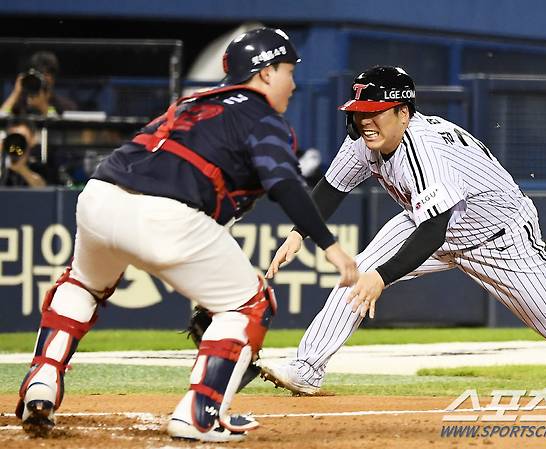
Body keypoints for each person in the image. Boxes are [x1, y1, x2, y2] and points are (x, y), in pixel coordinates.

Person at [15, 28, 358, 443]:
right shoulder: (263, 117)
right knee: (249, 304)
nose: (293, 81)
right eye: (287, 70)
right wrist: (332, 246)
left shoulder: (193, 102)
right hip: (166, 213)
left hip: (100, 196)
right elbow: (285, 183)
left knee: (83, 284)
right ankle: (200, 413)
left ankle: (42, 381)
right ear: (265, 73)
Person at [260, 65, 546, 395]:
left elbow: (434, 232)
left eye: (375, 112)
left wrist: (383, 275)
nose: (364, 120)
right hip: (426, 219)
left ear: (404, 114)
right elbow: (332, 187)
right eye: (360, 111)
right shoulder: (365, 140)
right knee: (355, 277)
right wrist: (299, 232)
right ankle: (307, 369)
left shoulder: (426, 150)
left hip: (498, 235)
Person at [1, 51, 77, 116]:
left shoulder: (66, 106)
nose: (41, 79)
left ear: (53, 78)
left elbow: (61, 131)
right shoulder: (19, 105)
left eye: (45, 74)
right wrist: (15, 93)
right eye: (38, 74)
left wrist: (43, 107)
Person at [1, 117, 47, 187]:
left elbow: (45, 191)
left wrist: (21, 168)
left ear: (32, 140)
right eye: (13, 137)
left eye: (22, 137)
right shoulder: (3, 164)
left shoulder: (41, 168)